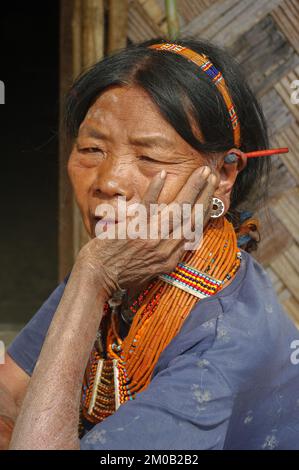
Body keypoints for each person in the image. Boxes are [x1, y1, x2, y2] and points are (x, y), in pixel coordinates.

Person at [1, 38, 299, 450]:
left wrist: (93, 279)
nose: (108, 181)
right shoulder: (126, 265)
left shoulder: (222, 339)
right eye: (91, 149)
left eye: (150, 158)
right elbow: (11, 387)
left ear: (224, 173)